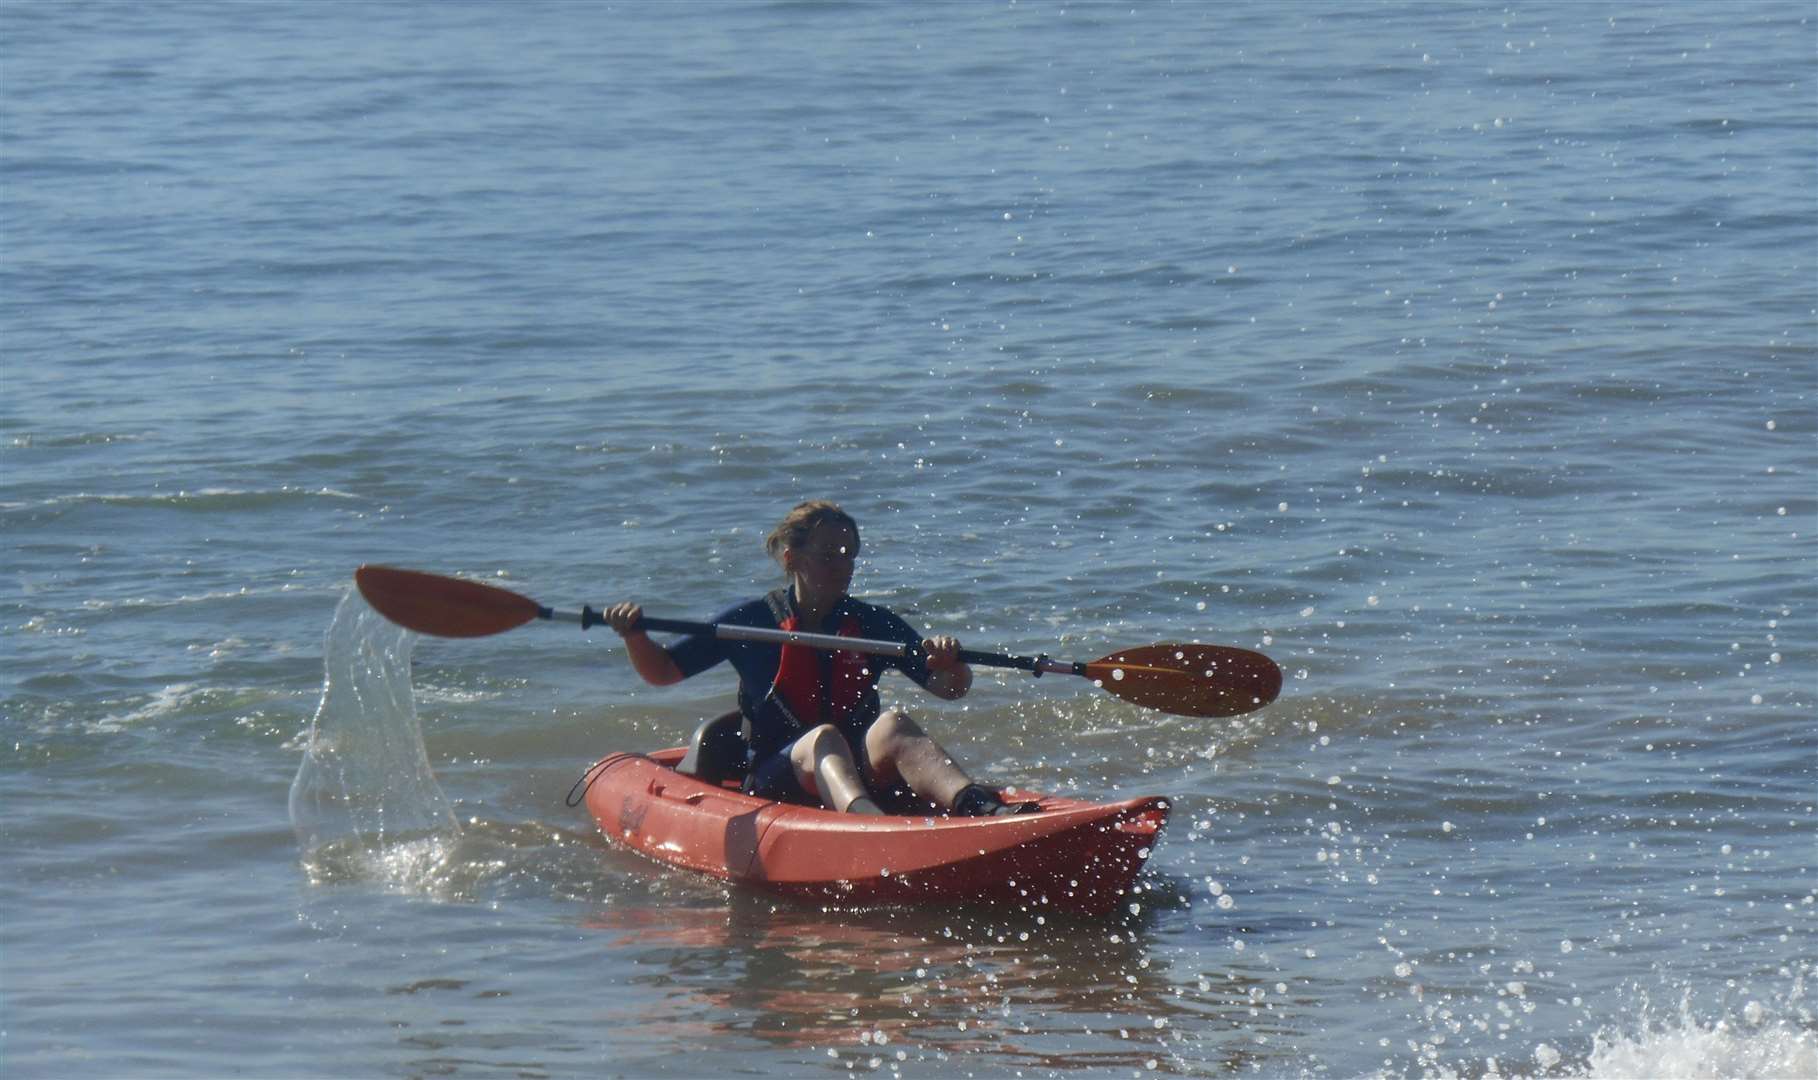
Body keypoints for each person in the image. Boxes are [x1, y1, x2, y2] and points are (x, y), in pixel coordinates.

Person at [601, 500, 1035, 816]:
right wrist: (634, 636)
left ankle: (976, 805)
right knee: (822, 737)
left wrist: (951, 665)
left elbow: (950, 690)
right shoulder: (750, 623)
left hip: (859, 768)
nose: (842, 566)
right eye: (829, 555)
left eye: (849, 556)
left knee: (895, 724)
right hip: (778, 776)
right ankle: (866, 825)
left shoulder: (872, 624)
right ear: (792, 558)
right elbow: (662, 671)